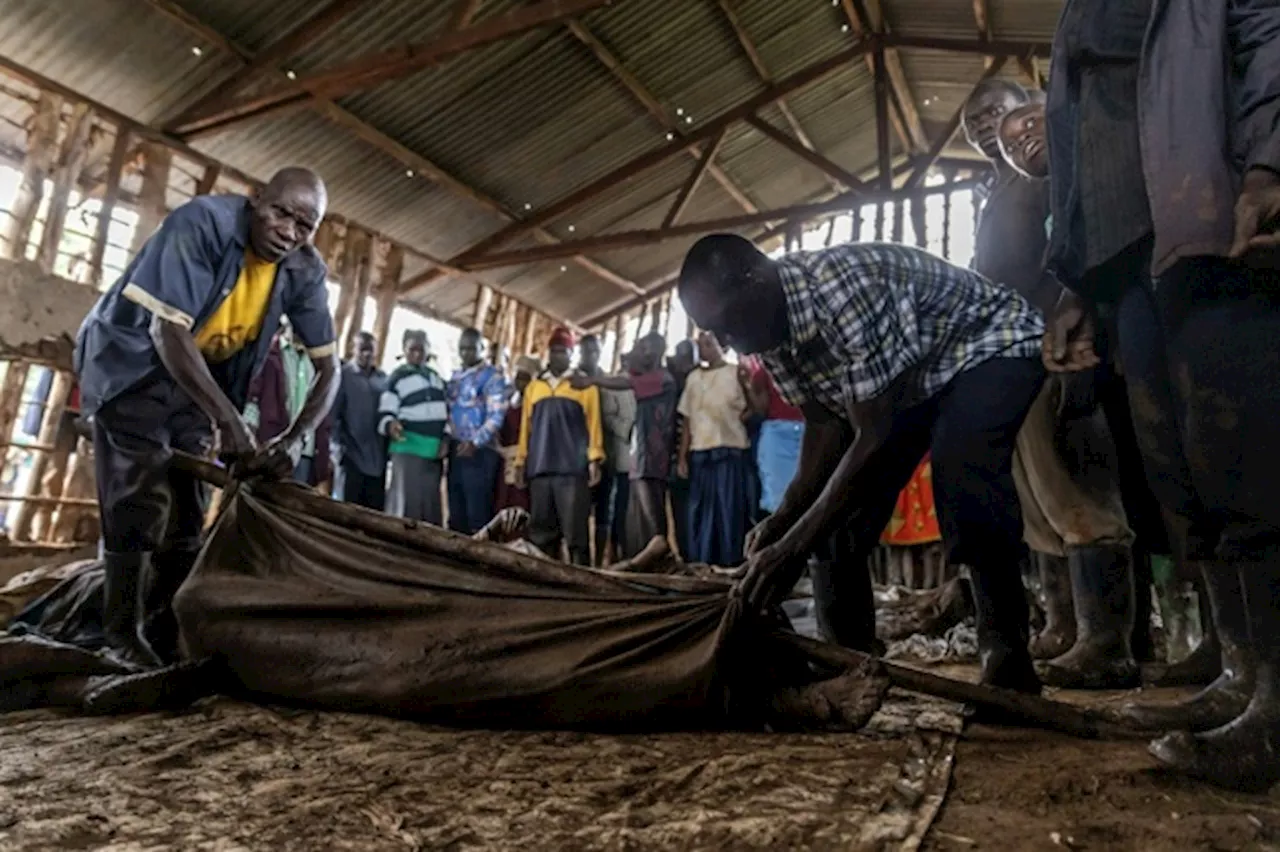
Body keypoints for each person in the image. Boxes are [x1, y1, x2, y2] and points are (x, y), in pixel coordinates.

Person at [1042, 0, 1280, 790]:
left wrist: (1269, 165)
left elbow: (1269, 36)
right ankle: (1242, 678)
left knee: (1246, 459)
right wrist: (1072, 280)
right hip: (1121, 262)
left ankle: (1274, 703)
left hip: (1206, 224)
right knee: (1187, 479)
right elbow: (1073, 137)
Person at [679, 234, 1046, 696]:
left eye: (726, 326)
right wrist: (786, 517)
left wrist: (791, 549)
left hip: (986, 345)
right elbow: (826, 425)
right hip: (914, 381)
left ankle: (1007, 659)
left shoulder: (840, 292)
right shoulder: (765, 325)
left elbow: (873, 436)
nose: (728, 344)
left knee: (964, 472)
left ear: (754, 278)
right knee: (837, 522)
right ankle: (848, 663)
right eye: (715, 331)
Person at [74, 167, 338, 668]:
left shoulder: (304, 269)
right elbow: (165, 331)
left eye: (305, 226)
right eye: (281, 213)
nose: (288, 231)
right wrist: (231, 425)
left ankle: (163, 626)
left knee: (188, 511)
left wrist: (294, 439)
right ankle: (120, 632)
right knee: (137, 491)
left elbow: (330, 368)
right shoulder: (202, 224)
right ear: (256, 200)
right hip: (133, 362)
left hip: (199, 375)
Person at [964, 89, 1144, 690]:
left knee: (1079, 489)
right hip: (1014, 355)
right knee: (1039, 502)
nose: (991, 127)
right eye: (977, 125)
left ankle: (1108, 641)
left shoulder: (1054, 168)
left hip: (1061, 342)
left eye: (999, 111)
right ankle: (1065, 624)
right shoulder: (997, 192)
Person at [576, 332, 677, 559]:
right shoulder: (653, 376)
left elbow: (626, 382)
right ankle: (650, 559)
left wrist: (592, 380)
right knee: (640, 516)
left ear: (655, 351)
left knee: (653, 515)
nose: (638, 352)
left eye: (643, 348)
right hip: (642, 454)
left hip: (653, 455)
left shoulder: (662, 378)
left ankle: (661, 558)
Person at [515, 327, 603, 565]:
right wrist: (521, 461)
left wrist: (595, 459)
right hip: (540, 469)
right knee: (541, 536)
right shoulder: (535, 387)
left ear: (571, 353)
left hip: (572, 471)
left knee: (576, 536)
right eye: (554, 351)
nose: (558, 356)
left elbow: (594, 424)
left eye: (563, 351)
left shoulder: (584, 386)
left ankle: (583, 589)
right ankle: (546, 587)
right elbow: (526, 429)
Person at [677, 330, 752, 566]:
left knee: (728, 513)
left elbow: (751, 409)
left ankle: (730, 565)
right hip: (701, 453)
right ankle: (703, 565)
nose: (704, 349)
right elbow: (688, 420)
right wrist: (682, 457)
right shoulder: (693, 378)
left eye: (709, 344)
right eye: (700, 345)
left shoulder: (735, 374)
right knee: (701, 514)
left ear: (722, 346)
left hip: (729, 452)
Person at [244, 321, 332, 488]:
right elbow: (252, 399)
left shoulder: (320, 363)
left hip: (306, 453)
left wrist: (325, 454)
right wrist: (252, 437)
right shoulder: (268, 353)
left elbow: (324, 410)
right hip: (272, 450)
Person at [380, 329, 447, 524]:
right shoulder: (397, 377)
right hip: (407, 447)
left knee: (429, 506)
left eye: (421, 349)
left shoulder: (436, 378)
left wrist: (445, 438)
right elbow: (386, 411)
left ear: (428, 350)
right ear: (404, 350)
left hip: (433, 452)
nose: (417, 354)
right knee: (407, 506)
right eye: (412, 349)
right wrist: (390, 425)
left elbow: (445, 413)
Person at [578, 334, 634, 566]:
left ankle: (599, 562)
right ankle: (579, 562)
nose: (590, 355)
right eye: (586, 351)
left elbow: (616, 419)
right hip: (576, 457)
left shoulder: (608, 382)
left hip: (606, 457)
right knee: (578, 512)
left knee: (604, 513)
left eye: (594, 351)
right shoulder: (571, 380)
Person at [446, 328, 506, 534]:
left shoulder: (493, 377)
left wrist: (475, 442)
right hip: (456, 449)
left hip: (480, 452)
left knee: (478, 514)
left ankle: (478, 562)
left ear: (482, 349)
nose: (466, 353)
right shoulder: (455, 377)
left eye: (471, 348)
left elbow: (496, 416)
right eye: (462, 348)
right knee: (456, 512)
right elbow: (449, 411)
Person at [741, 354, 804, 517]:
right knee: (779, 498)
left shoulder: (811, 358)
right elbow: (761, 408)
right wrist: (748, 386)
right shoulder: (767, 366)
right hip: (779, 431)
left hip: (813, 428)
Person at [330, 331, 387, 511]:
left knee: (373, 515)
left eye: (370, 350)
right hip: (350, 457)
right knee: (347, 512)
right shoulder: (343, 376)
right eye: (362, 349)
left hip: (378, 460)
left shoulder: (383, 380)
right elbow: (332, 416)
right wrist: (339, 450)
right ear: (353, 349)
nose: (367, 354)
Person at [495, 355, 539, 513]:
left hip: (525, 462)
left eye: (525, 378)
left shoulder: (537, 405)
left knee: (520, 503)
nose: (520, 382)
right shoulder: (509, 400)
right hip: (505, 461)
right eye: (518, 377)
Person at [666, 339, 697, 557]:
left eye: (689, 356)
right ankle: (686, 555)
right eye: (681, 356)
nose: (684, 362)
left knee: (697, 509)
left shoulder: (700, 379)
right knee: (679, 510)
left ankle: (698, 554)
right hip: (674, 456)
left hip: (703, 454)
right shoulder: (670, 382)